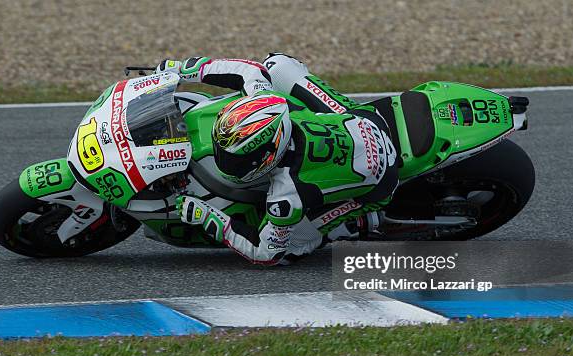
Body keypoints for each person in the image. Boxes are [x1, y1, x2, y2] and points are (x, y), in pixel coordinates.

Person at [156, 54, 398, 265]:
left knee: (288, 252)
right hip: (363, 120)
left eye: (237, 160)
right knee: (275, 64)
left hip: (380, 177)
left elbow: (264, 253)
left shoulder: (286, 195)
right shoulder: (267, 98)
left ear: (268, 157)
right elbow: (249, 70)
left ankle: (357, 222)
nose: (226, 161)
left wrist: (208, 217)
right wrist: (182, 69)